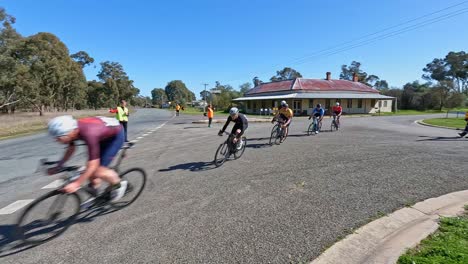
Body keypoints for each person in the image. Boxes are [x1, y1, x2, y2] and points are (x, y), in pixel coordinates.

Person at [47, 115, 127, 201]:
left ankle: (119, 184)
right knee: (91, 171)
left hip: (115, 137)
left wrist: (76, 184)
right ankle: (96, 191)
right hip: (101, 132)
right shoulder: (72, 129)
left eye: (59, 138)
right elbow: (71, 149)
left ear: (71, 132)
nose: (57, 140)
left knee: (96, 170)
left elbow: (93, 166)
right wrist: (59, 165)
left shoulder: (89, 133)